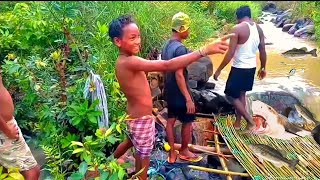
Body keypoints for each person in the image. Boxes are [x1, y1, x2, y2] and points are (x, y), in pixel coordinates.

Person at [108, 14, 233, 180]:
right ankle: (139, 177)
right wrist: (203, 51)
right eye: (132, 37)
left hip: (134, 117)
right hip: (141, 120)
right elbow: (167, 65)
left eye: (138, 36)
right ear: (118, 41)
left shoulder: (127, 60)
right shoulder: (128, 62)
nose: (138, 40)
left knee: (131, 144)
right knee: (144, 155)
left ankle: (108, 162)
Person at [213, 5, 267, 132]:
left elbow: (230, 52)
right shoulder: (258, 28)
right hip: (251, 68)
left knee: (230, 95)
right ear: (250, 15)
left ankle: (250, 120)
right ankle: (237, 123)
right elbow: (263, 50)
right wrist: (263, 67)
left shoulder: (237, 29)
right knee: (242, 94)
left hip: (239, 68)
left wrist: (219, 69)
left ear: (238, 17)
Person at [161, 12, 202, 164]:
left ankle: (172, 153)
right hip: (180, 91)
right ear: (181, 28)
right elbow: (179, 75)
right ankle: (184, 150)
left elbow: (163, 69)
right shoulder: (180, 49)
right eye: (188, 28)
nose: (189, 32)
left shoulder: (166, 46)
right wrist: (188, 99)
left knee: (170, 122)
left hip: (170, 91)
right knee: (187, 121)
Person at [0, 70, 40, 179]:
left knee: (8, 172)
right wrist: (8, 131)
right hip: (5, 130)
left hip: (6, 126)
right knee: (32, 172)